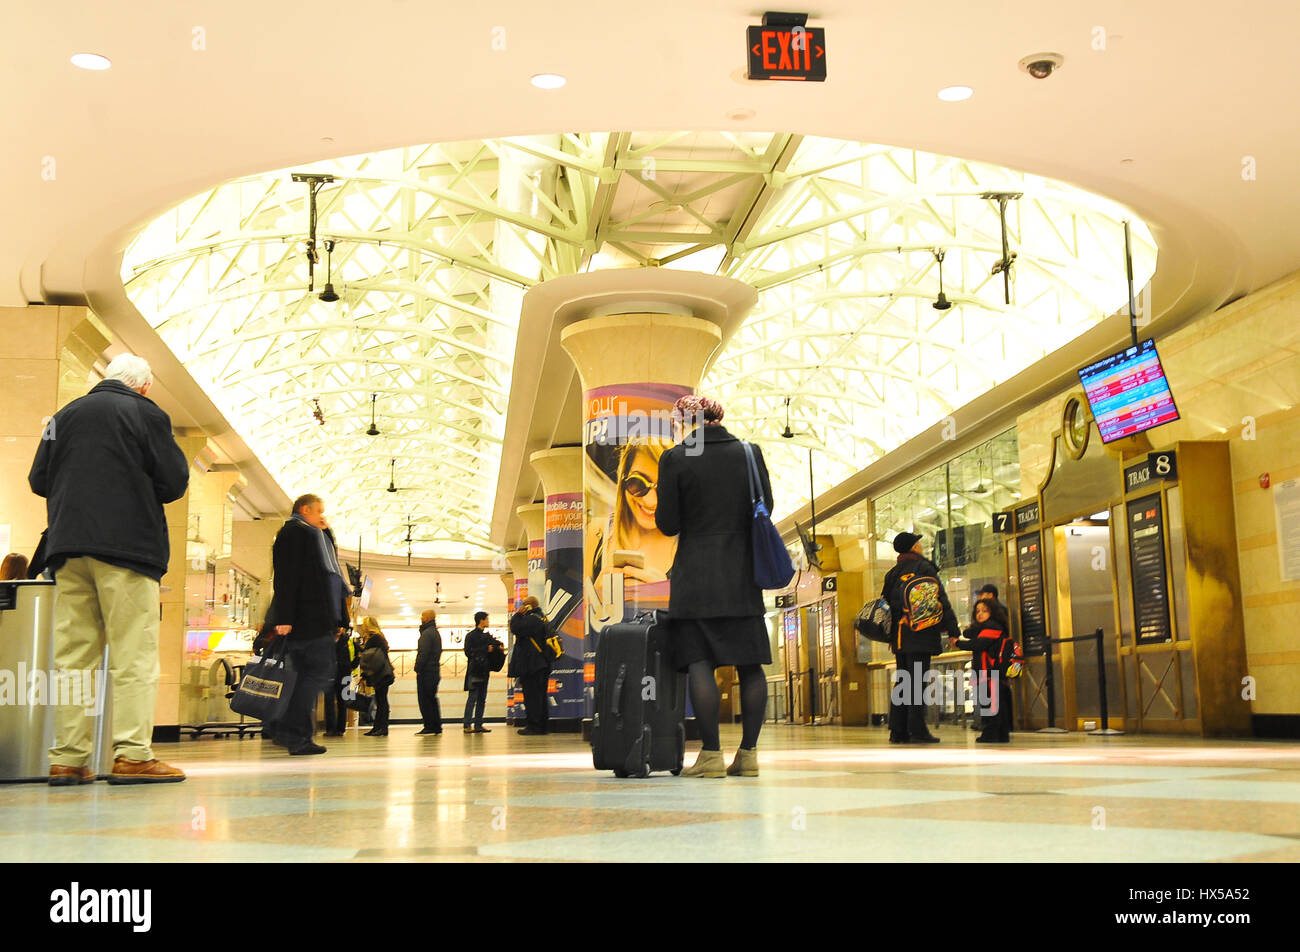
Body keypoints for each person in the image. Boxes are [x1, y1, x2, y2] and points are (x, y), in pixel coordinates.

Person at [28, 353, 189, 786]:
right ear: (143, 386)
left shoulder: (62, 416)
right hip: (127, 548)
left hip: (68, 547)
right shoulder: (145, 414)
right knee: (133, 655)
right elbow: (174, 483)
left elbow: (38, 480)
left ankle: (67, 757)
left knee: (73, 660)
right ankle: (133, 755)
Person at [655, 394, 773, 779]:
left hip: (695, 577)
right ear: (718, 418)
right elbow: (765, 508)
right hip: (743, 575)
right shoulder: (748, 452)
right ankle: (749, 755)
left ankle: (710, 756)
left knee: (699, 663)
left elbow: (668, 524)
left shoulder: (674, 458)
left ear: (684, 421)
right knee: (750, 666)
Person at [268, 493, 350, 755]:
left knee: (307, 677)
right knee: (313, 675)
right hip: (306, 620)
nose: (322, 516)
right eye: (318, 511)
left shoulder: (313, 535)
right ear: (305, 510)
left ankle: (294, 733)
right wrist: (284, 618)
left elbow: (330, 573)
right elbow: (285, 577)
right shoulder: (293, 533)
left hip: (315, 619)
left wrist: (328, 534)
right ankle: (292, 732)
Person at [881, 531, 960, 745]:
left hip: (899, 636)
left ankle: (898, 731)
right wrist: (953, 631)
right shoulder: (924, 568)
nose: (921, 546)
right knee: (917, 683)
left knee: (903, 682)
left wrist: (890, 636)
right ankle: (917, 729)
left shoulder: (892, 573)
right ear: (914, 547)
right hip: (921, 633)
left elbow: (886, 607)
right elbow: (940, 599)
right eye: (918, 543)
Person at [591, 441, 676, 589]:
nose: (651, 501)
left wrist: (665, 596)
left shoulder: (694, 543)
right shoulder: (599, 531)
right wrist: (596, 595)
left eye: (664, 487)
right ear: (623, 479)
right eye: (638, 484)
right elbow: (577, 608)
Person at [954, 598, 1013, 743]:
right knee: (997, 704)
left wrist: (957, 643)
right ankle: (1001, 734)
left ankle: (991, 734)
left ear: (993, 612)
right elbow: (970, 633)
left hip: (989, 672)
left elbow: (978, 644)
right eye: (978, 611)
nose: (980, 614)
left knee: (990, 704)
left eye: (985, 611)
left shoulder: (992, 627)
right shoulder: (989, 628)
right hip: (993, 673)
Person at [508, 596, 554, 735]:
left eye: (524, 605)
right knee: (540, 696)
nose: (521, 607)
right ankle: (542, 725)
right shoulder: (542, 618)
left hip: (533, 665)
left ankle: (534, 726)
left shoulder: (532, 619)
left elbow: (515, 628)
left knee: (532, 697)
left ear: (528, 606)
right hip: (541, 665)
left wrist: (517, 614)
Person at [357, 616, 394, 736]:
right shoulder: (379, 637)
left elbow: (370, 657)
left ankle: (381, 728)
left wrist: (365, 674)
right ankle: (379, 727)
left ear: (368, 625)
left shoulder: (375, 638)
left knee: (381, 701)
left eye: (364, 624)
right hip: (383, 673)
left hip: (380, 674)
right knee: (381, 700)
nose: (362, 627)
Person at [462, 611, 499, 734]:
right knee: (473, 698)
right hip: (475, 671)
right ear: (481, 620)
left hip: (484, 670)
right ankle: (467, 724)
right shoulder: (471, 636)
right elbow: (468, 652)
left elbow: (496, 645)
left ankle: (478, 724)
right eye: (487, 619)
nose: (488, 621)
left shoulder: (486, 636)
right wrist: (485, 649)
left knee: (482, 698)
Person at [414, 609, 443, 735]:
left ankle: (429, 725)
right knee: (432, 699)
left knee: (425, 700)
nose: (421, 617)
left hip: (426, 672)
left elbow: (423, 653)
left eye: (422, 615)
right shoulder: (435, 633)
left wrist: (417, 668)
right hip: (434, 671)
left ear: (428, 618)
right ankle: (436, 725)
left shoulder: (427, 634)